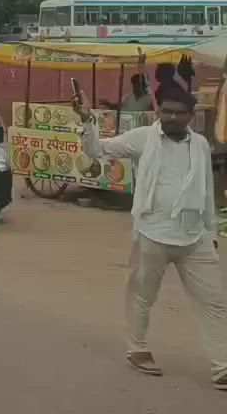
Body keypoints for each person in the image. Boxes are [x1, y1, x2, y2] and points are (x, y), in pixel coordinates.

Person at [75, 86, 226, 388]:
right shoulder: (143, 138)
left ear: (190, 116)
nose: (170, 117)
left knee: (215, 302)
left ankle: (223, 367)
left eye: (178, 113)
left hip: (194, 236)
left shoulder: (199, 145)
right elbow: (97, 150)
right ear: (158, 111)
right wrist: (87, 120)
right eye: (165, 111)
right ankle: (137, 348)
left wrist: (210, 232)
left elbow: (207, 192)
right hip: (152, 234)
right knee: (142, 296)